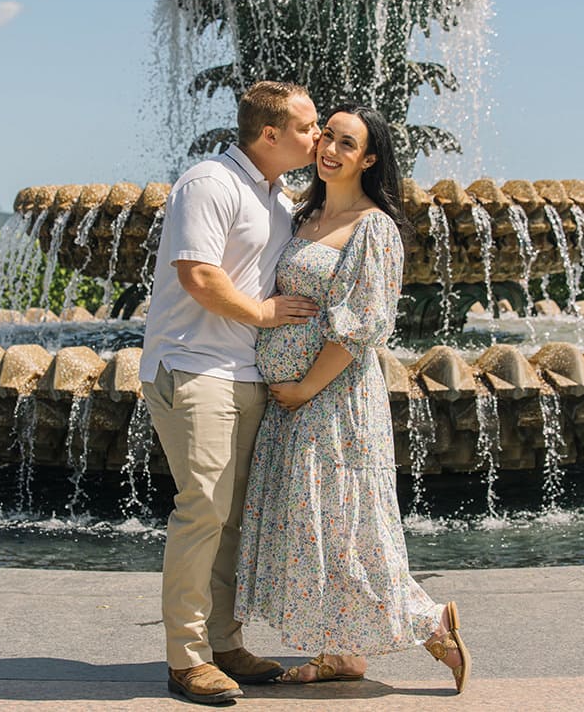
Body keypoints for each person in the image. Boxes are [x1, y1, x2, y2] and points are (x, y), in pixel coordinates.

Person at [235, 104, 471, 692]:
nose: (330, 150)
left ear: (368, 159)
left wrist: (304, 387)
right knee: (315, 527)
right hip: (295, 403)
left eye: (347, 143)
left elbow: (362, 326)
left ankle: (429, 622)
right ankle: (339, 652)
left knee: (348, 527)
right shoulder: (304, 215)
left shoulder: (374, 227)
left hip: (332, 401)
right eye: (327, 137)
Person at [140, 81, 322, 704]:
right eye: (307, 127)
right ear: (269, 135)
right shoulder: (209, 182)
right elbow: (198, 274)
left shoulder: (275, 196)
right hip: (194, 368)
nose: (317, 136)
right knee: (204, 510)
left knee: (232, 517)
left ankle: (224, 642)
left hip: (245, 374)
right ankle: (185, 658)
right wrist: (267, 316)